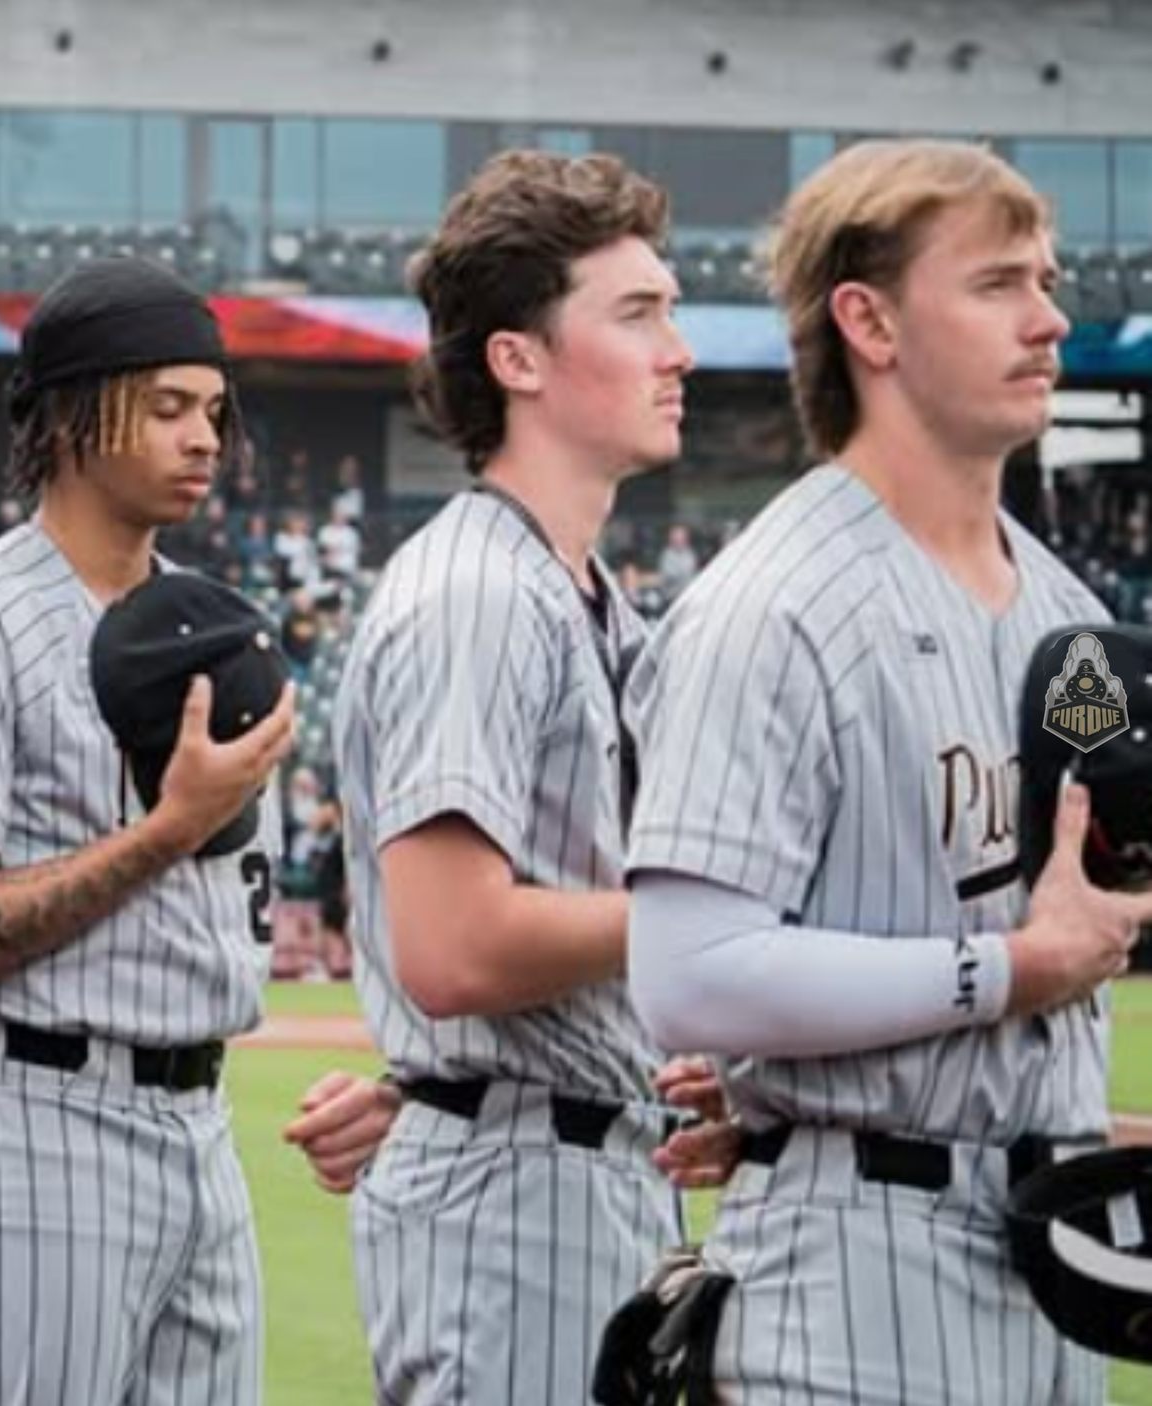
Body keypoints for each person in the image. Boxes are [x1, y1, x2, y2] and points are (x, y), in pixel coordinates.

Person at [626, 139, 1137, 1406]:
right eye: (998, 283)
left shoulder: (1067, 614)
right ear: (869, 320)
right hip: (850, 1277)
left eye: (1047, 277)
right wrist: (1015, 967)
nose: (1049, 315)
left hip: (1052, 1245)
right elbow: (687, 973)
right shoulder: (774, 602)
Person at [331, 150, 738, 1403]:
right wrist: (716, 918)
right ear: (517, 359)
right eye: (638, 313)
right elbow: (452, 945)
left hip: (583, 1161)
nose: (679, 348)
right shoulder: (479, 596)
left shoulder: (586, 594)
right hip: (510, 1191)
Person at [0, 257, 295, 1404]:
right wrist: (165, 830)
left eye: (210, 409)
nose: (202, 437)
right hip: (34, 1115)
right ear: (66, 414)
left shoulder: (203, 616)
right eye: (164, 407)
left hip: (198, 1116)